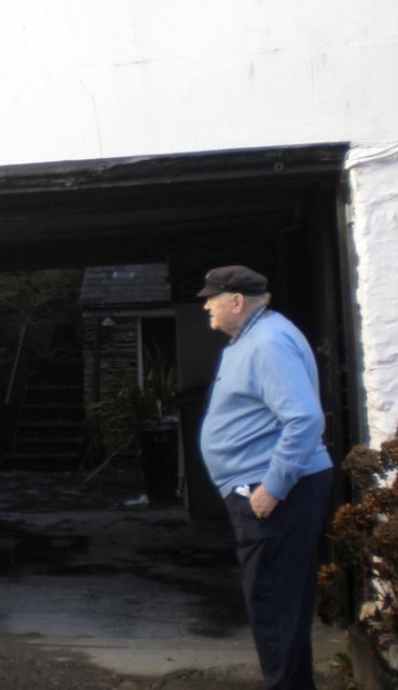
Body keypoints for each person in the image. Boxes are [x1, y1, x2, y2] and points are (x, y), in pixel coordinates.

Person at [197, 265, 333, 690]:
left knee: (274, 602)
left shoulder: (268, 341)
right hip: (262, 485)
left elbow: (304, 419)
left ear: (237, 301)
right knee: (276, 602)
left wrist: (272, 487)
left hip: (273, 490)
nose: (206, 304)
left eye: (212, 297)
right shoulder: (254, 336)